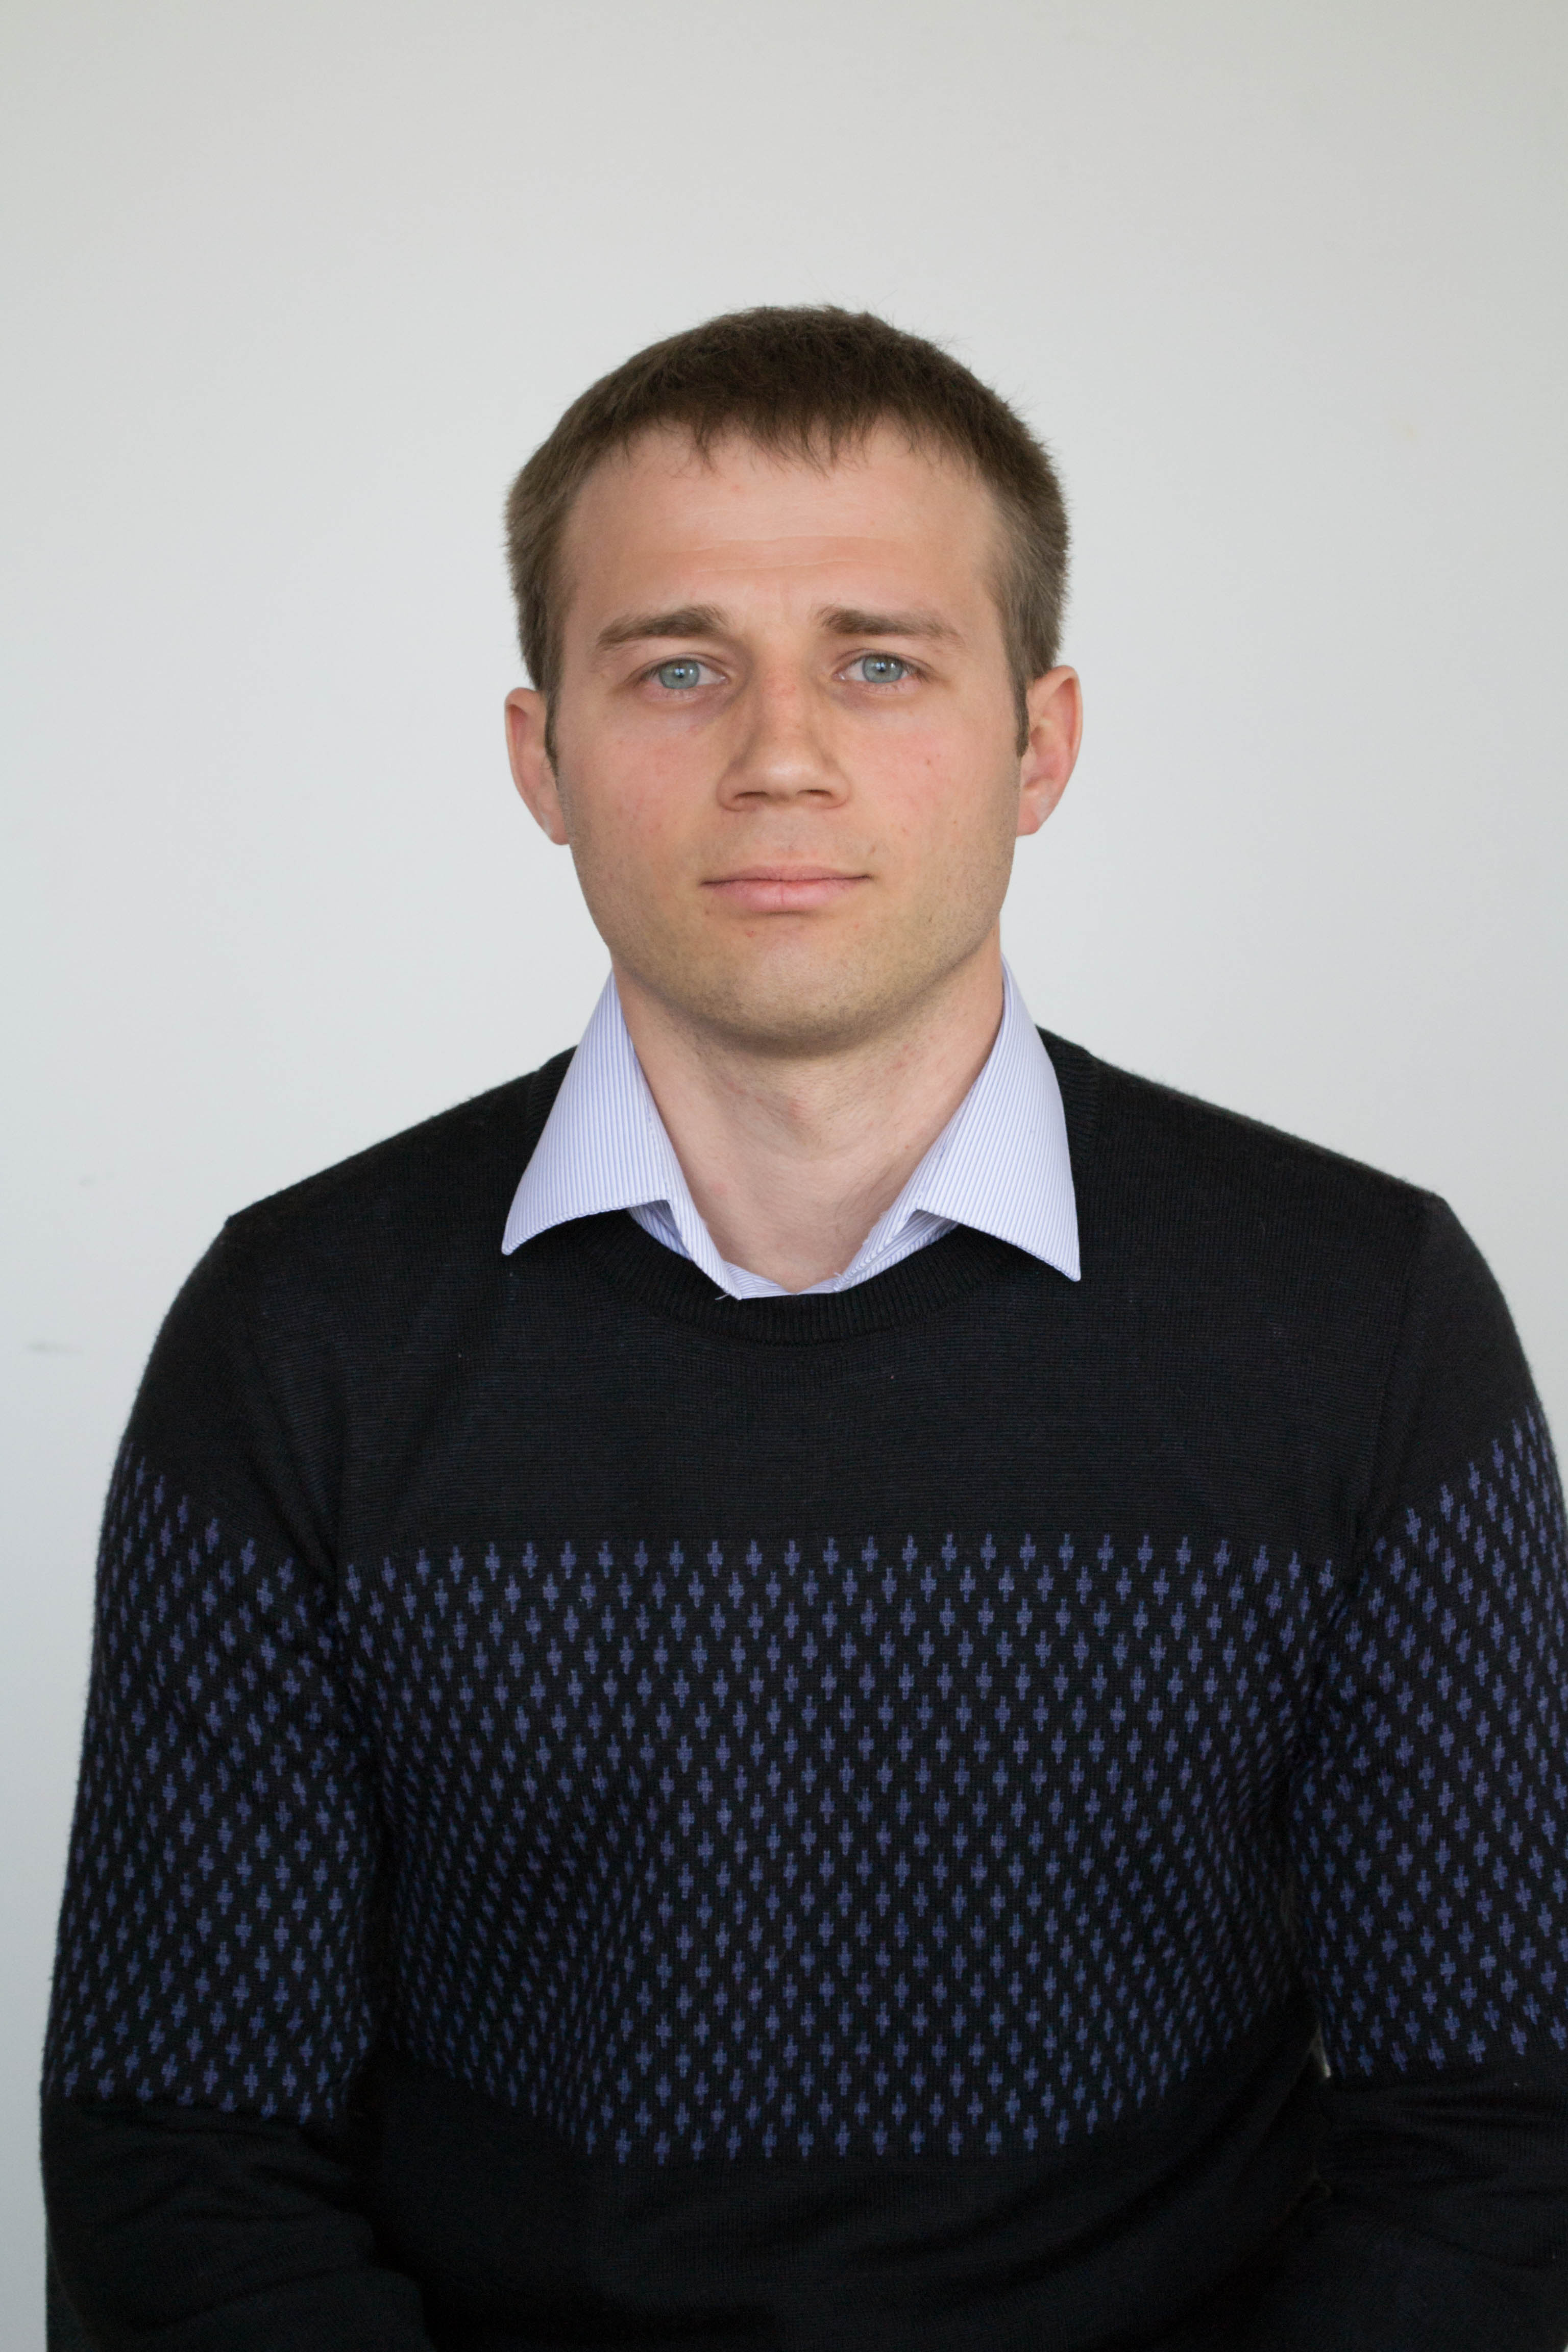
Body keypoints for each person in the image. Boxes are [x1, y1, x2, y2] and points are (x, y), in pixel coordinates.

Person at [41, 306, 1568, 2352]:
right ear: (542, 758)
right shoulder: (299, 1332)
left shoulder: (1361, 1317)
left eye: (879, 662)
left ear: (1041, 746)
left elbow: (1494, 2136)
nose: (779, 753)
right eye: (678, 668)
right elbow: (182, 2153)